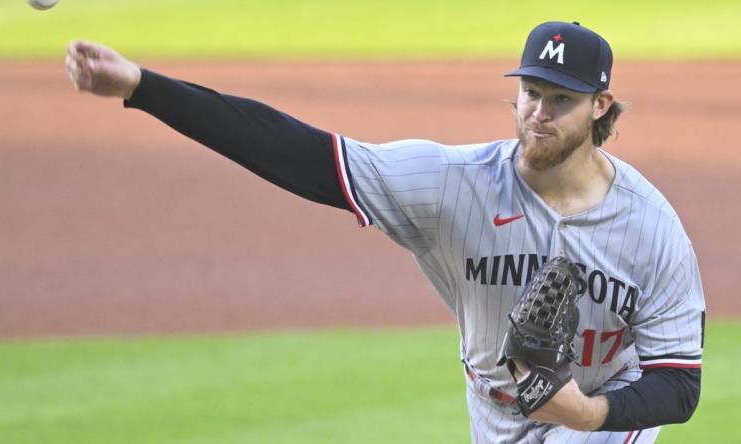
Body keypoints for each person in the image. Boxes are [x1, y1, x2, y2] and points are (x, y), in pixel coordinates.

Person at [65, 21, 705, 444]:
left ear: (600, 105)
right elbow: (298, 152)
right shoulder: (455, 184)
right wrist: (142, 88)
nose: (538, 115)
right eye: (530, 93)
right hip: (496, 409)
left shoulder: (650, 228)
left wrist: (588, 413)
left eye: (560, 101)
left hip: (604, 412)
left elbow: (679, 382)